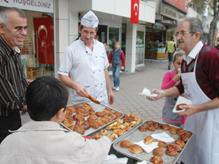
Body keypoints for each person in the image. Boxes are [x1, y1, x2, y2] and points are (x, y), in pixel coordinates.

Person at [148, 17, 219, 164]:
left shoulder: (210, 55)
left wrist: (197, 108)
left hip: (211, 122)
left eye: (182, 33)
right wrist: (163, 93)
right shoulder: (186, 60)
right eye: (176, 33)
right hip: (192, 119)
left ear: (196, 35)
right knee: (189, 156)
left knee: (207, 157)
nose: (178, 37)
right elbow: (183, 87)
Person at [0, 76, 111, 164]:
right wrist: (106, 139)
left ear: (28, 108)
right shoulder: (73, 143)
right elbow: (98, 151)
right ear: (60, 113)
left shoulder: (7, 142)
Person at [58, 10, 113, 105]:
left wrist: (110, 91)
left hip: (102, 99)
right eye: (85, 32)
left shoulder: (100, 47)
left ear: (96, 32)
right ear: (80, 29)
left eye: (91, 33)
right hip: (82, 101)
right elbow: (62, 75)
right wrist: (75, 85)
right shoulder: (71, 49)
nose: (88, 36)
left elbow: (104, 70)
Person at [0, 8, 28, 143]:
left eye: (25, 28)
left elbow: (21, 80)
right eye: (18, 28)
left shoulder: (13, 49)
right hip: (3, 121)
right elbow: (8, 99)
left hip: (14, 117)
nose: (24, 33)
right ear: (1, 28)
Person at [161, 51, 185, 126]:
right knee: (169, 127)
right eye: (178, 63)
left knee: (180, 130)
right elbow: (163, 88)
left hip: (182, 106)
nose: (181, 66)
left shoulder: (187, 75)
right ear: (173, 63)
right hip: (169, 107)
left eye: (183, 64)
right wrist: (174, 80)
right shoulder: (168, 74)